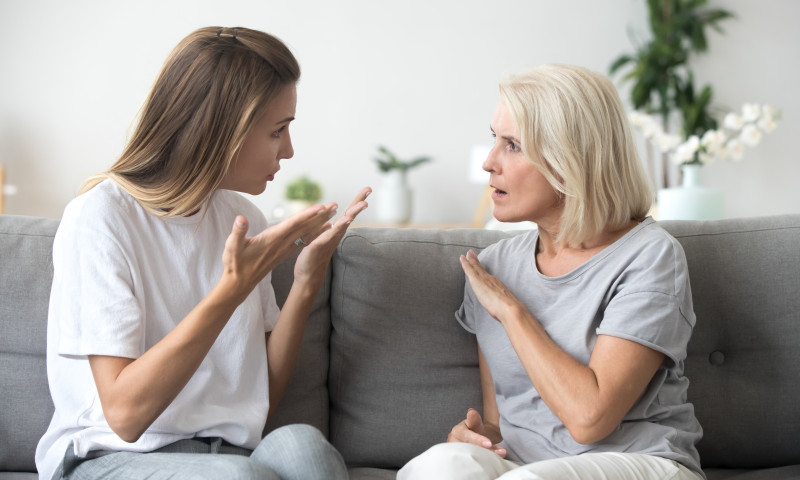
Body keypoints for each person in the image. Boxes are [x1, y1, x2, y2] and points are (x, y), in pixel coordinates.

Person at [35, 26, 370, 480]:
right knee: (238, 478)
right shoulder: (100, 218)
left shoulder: (240, 216)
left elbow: (258, 396)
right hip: (110, 458)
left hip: (223, 456)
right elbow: (125, 416)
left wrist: (307, 280)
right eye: (277, 131)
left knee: (304, 448)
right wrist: (230, 290)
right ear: (221, 131)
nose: (288, 151)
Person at [398, 64, 704, 480]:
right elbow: (501, 421)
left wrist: (512, 311)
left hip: (641, 461)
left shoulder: (649, 257)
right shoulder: (493, 268)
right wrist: (476, 438)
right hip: (525, 466)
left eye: (512, 145)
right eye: (494, 139)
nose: (489, 162)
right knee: (439, 465)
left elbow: (590, 419)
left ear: (569, 161)